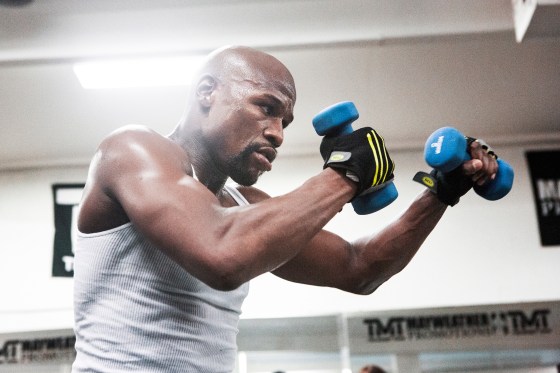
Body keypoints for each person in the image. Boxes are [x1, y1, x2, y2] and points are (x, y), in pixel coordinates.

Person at [71, 45, 499, 372]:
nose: (276, 134)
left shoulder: (243, 207)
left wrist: (443, 191)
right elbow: (222, 255)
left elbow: (360, 266)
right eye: (266, 108)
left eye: (285, 123)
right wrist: (343, 176)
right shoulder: (132, 149)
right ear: (207, 93)